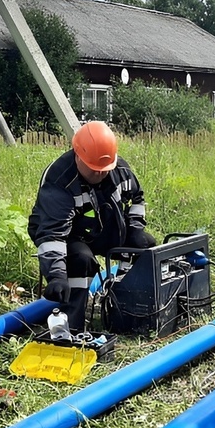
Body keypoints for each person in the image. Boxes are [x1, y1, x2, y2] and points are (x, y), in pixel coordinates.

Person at [28, 121, 157, 332]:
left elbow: (137, 199)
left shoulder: (120, 170)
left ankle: (125, 307)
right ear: (78, 155)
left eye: (104, 169)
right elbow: (53, 234)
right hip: (68, 235)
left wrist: (135, 229)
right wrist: (56, 275)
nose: (100, 174)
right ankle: (72, 325)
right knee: (81, 259)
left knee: (144, 245)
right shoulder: (59, 181)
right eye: (94, 169)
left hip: (102, 226)